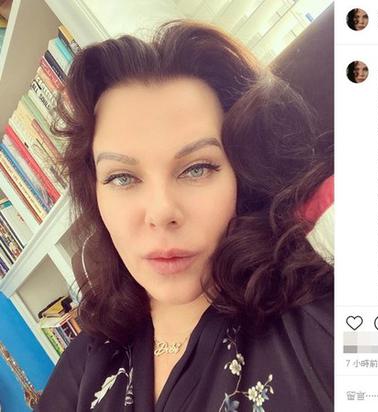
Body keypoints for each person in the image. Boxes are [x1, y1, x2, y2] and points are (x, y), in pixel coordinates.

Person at [34, 20, 333, 412]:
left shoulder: (319, 321)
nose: (161, 213)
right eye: (122, 177)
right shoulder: (88, 356)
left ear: (242, 174)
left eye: (197, 168)